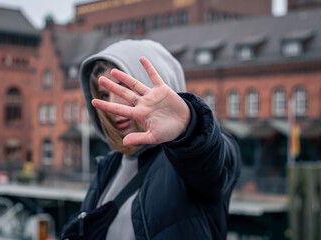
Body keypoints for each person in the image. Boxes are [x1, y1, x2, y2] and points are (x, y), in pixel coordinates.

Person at [77, 39, 241, 240]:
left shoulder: (187, 160)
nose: (113, 104)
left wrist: (188, 128)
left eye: (124, 87)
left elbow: (217, 164)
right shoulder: (109, 166)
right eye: (104, 94)